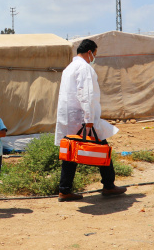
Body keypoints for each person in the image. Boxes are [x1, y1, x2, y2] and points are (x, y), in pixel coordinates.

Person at [55, 39, 126, 202]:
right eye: (94, 53)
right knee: (102, 146)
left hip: (70, 118)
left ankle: (64, 190)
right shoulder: (83, 68)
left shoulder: (69, 68)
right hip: (82, 118)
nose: (94, 57)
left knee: (71, 151)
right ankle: (108, 185)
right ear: (89, 52)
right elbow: (85, 94)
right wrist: (88, 119)